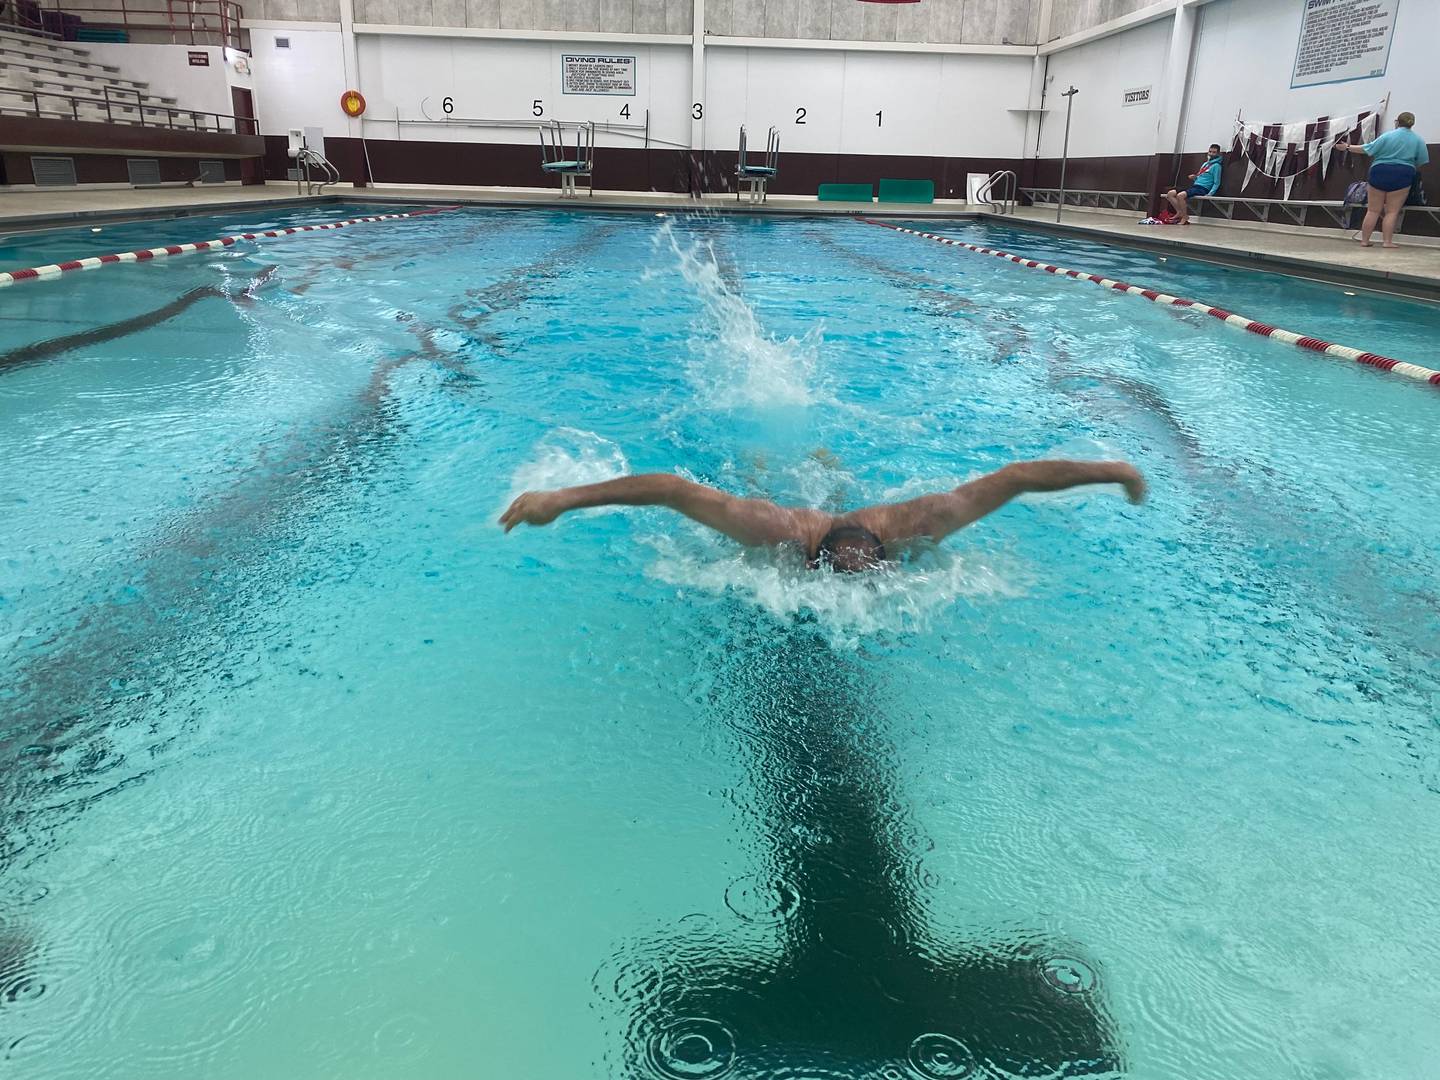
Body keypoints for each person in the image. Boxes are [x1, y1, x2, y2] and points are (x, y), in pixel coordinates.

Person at [500, 459, 1146, 572]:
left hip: (796, 512)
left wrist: (1112, 471)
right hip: (779, 510)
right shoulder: (778, 532)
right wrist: (562, 500)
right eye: (853, 558)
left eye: (856, 557)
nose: (856, 554)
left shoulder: (918, 521)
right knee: (758, 494)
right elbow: (672, 490)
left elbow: (1019, 478)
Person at [1337, 111, 1428, 248]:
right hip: (1403, 173)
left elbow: (1367, 149)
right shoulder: (1418, 140)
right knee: (1392, 211)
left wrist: (1347, 147)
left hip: (1379, 171)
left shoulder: (1387, 136)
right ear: (1412, 123)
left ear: (1397, 122)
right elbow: (1421, 161)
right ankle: (1387, 242)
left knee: (1373, 210)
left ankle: (1365, 241)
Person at [1163, 144, 1224, 225]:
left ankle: (1185, 217)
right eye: (1210, 151)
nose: (1211, 154)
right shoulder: (1205, 164)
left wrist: (1210, 194)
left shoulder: (1217, 166)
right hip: (1195, 186)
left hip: (1203, 188)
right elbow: (1200, 177)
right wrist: (1194, 178)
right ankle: (1179, 212)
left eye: (1214, 152)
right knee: (1170, 194)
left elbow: (1217, 182)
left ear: (1218, 154)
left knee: (1180, 196)